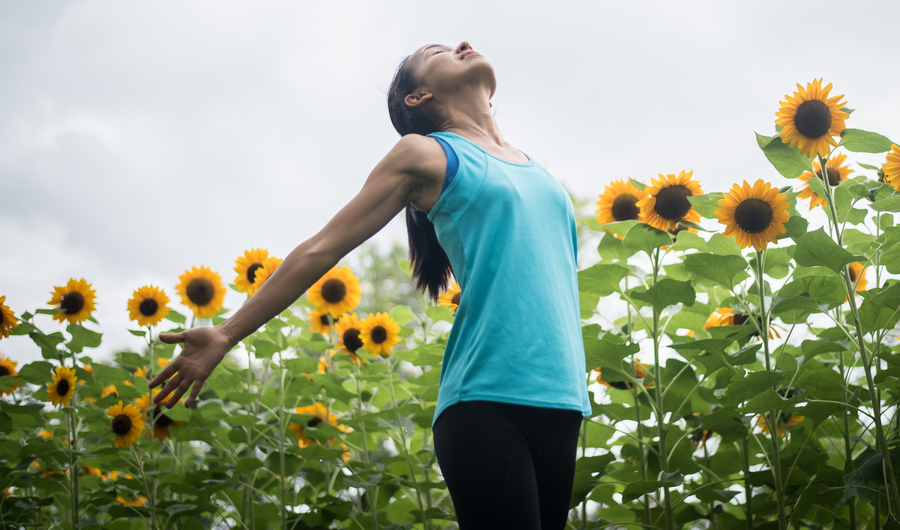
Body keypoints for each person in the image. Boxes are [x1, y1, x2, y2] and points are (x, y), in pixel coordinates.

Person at [149, 41, 593, 529]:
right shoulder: (425, 153)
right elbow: (323, 247)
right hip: (487, 402)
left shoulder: (536, 169)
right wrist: (226, 333)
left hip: (561, 400)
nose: (464, 44)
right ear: (417, 98)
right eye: (439, 50)